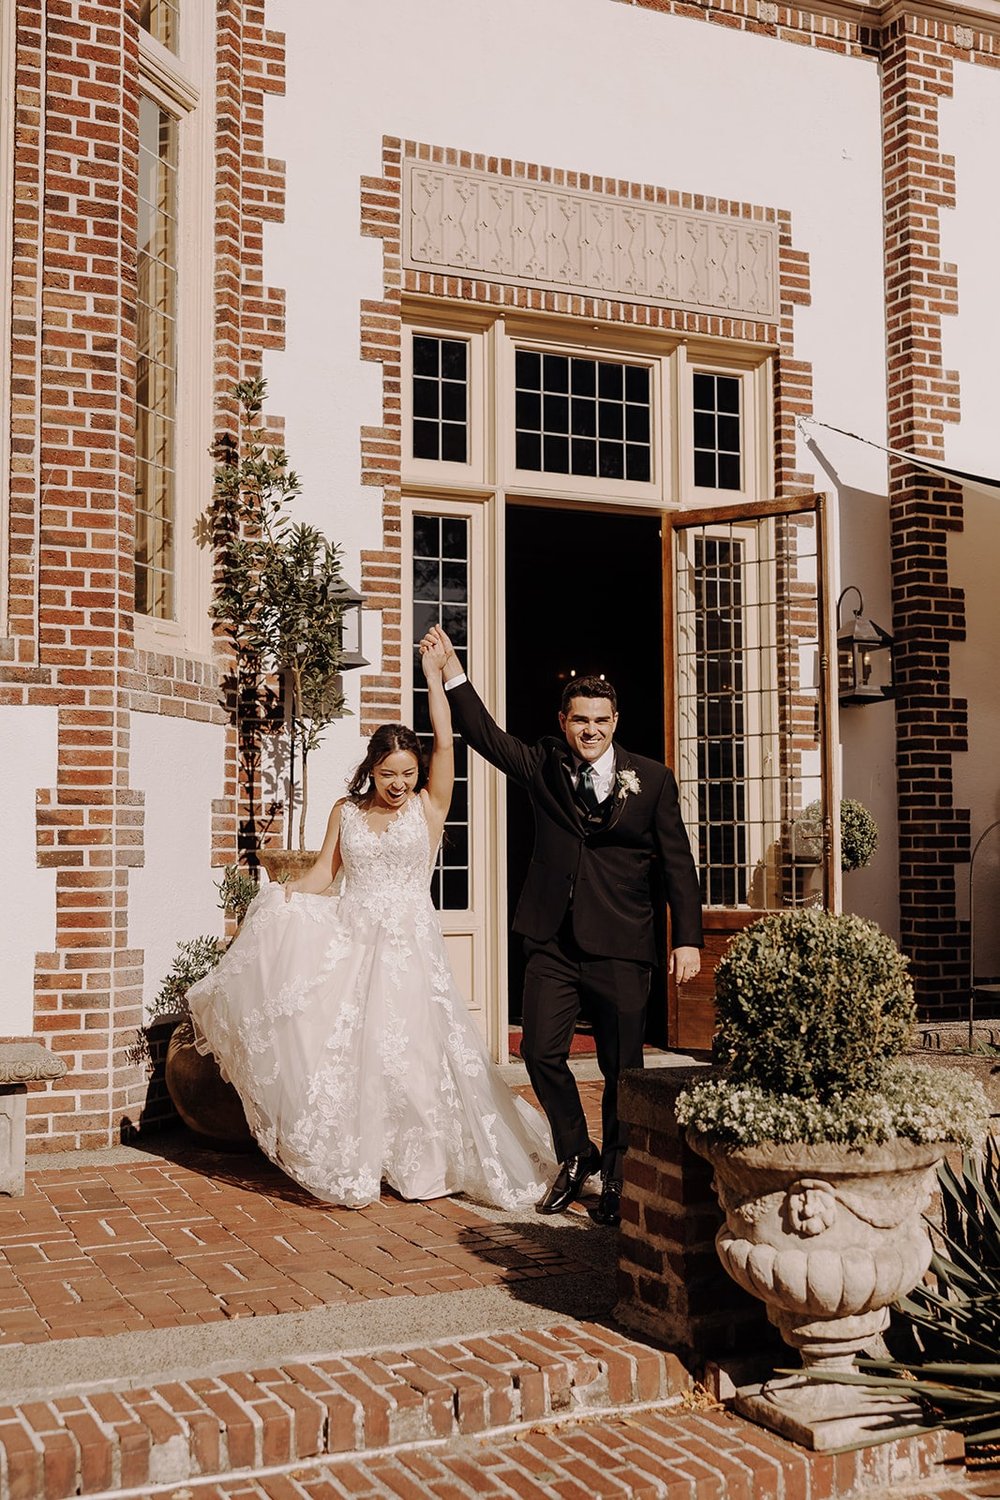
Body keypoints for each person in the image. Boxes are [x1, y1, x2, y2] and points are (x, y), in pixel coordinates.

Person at [187, 634, 554, 1210]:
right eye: (389, 773)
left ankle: (424, 1163)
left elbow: (446, 741)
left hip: (410, 950)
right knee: (354, 1058)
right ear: (372, 770)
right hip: (352, 948)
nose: (400, 783)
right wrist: (281, 897)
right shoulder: (346, 812)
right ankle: (369, 1156)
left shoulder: (431, 808)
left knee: (412, 1057)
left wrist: (434, 678)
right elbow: (319, 878)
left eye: (408, 772)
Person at [420, 624, 703, 1227]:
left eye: (600, 721)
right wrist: (452, 670)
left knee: (622, 1069)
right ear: (564, 720)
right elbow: (485, 737)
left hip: (625, 945)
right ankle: (577, 1155)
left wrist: (686, 938)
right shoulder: (545, 764)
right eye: (580, 721)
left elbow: (678, 862)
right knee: (543, 1054)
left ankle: (621, 1173)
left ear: (616, 721)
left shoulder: (650, 779)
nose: (591, 731)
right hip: (551, 940)